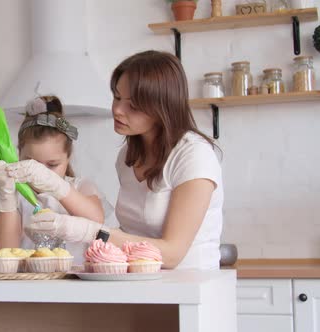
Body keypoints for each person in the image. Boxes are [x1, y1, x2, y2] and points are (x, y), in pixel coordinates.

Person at [25, 51, 224, 270]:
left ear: (163, 107)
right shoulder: (128, 156)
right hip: (140, 281)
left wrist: (91, 231)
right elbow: (132, 235)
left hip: (189, 287)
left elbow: (172, 254)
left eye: (134, 105)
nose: (118, 110)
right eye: (117, 97)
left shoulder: (194, 156)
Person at [0, 95, 111, 260]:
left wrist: (56, 186)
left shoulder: (81, 186)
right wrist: (5, 195)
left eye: (52, 165)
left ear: (68, 157)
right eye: (33, 163)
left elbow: (97, 219)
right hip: (31, 281)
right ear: (19, 154)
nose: (42, 172)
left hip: (75, 279)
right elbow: (7, 247)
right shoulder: (18, 195)